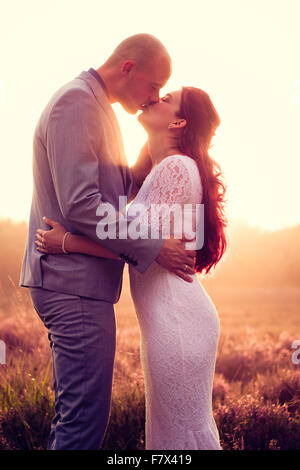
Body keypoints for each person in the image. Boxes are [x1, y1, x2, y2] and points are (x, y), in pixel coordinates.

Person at [19, 34, 197, 450]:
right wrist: (154, 247)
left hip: (74, 283)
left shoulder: (95, 106)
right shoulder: (78, 103)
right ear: (128, 68)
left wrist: (152, 152)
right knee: (83, 424)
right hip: (72, 284)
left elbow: (114, 190)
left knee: (75, 416)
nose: (154, 97)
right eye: (154, 86)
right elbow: (82, 205)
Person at [35, 86, 227, 450]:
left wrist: (67, 242)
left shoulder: (176, 168)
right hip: (167, 320)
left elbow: (134, 242)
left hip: (179, 321)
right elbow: (139, 238)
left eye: (166, 99)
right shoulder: (161, 169)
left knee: (181, 435)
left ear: (179, 121)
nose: (154, 99)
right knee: (173, 433)